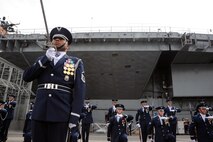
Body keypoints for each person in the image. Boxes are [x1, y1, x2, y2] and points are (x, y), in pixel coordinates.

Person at [23, 27, 86, 142]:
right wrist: (45, 59)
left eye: (61, 39)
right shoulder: (42, 60)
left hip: (60, 113)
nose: (57, 40)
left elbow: (79, 92)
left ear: (68, 44)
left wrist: (74, 117)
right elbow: (27, 77)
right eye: (54, 38)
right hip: (40, 112)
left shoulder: (75, 62)